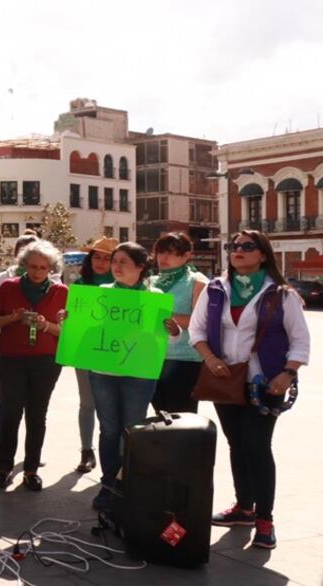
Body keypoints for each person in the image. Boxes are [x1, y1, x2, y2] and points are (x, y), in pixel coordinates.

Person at [189, 230, 309, 550]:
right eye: (234, 246)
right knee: (236, 445)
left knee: (257, 446)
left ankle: (265, 519)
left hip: (266, 382)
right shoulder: (216, 289)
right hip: (225, 379)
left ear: (263, 255)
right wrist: (210, 359)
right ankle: (243, 508)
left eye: (247, 247)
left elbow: (300, 340)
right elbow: (196, 330)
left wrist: (288, 373)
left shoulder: (281, 295)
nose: (238, 251)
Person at [86, 242, 180, 512]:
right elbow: (86, 331)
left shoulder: (155, 296)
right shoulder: (102, 294)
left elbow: (168, 341)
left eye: (123, 262)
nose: (116, 266)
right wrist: (69, 320)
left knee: (132, 430)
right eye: (114, 261)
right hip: (103, 372)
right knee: (109, 430)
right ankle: (108, 486)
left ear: (141, 267)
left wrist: (173, 331)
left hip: (139, 373)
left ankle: (129, 484)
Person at [0, 240, 68, 491]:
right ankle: (5, 467)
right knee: (10, 413)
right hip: (11, 357)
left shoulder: (61, 291)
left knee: (37, 414)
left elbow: (67, 332)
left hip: (46, 360)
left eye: (43, 267)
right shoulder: (9, 287)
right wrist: (13, 317)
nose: (37, 272)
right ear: (24, 265)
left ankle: (31, 469)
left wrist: (46, 325)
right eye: (32, 266)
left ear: (51, 268)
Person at [0, 233, 41, 465]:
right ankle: (0, 445)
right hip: (7, 349)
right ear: (17, 255)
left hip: (38, 352)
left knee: (34, 406)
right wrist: (13, 317)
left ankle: (31, 452)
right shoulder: (3, 279)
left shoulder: (51, 281)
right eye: (24, 253)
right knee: (5, 401)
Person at [68, 235, 118, 474]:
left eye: (107, 258)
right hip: (86, 351)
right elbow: (72, 319)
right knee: (87, 403)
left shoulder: (126, 286)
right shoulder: (78, 285)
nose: (100, 262)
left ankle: (116, 453)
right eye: (96, 257)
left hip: (117, 352)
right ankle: (86, 451)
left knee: (114, 405)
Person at [150, 232, 209, 413]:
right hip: (151, 357)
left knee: (183, 417)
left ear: (186, 256)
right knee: (160, 415)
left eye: (171, 253)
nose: (164, 258)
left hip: (185, 359)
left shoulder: (197, 282)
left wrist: (166, 316)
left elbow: (200, 323)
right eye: (160, 252)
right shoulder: (150, 281)